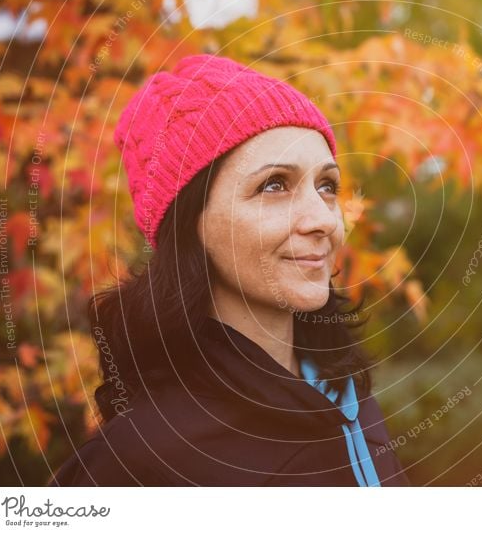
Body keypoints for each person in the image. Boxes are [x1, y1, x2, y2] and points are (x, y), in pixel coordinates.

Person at [47, 54, 409, 486]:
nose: (325, 220)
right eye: (274, 185)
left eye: (326, 186)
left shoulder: (348, 395)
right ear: (190, 223)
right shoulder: (140, 462)